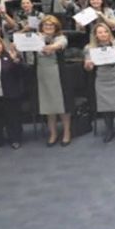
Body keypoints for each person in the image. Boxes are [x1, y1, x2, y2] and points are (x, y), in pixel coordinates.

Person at [22, 15, 71, 147]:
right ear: (41, 27)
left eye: (51, 25)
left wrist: (50, 47)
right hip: (41, 74)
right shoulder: (36, 38)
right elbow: (21, 43)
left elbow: (60, 45)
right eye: (45, 25)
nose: (48, 27)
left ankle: (66, 133)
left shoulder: (61, 37)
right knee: (47, 105)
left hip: (57, 74)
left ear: (56, 27)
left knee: (62, 105)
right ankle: (53, 134)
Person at [83, 23, 115, 143]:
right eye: (100, 32)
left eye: (105, 32)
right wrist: (88, 65)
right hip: (101, 79)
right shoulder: (89, 48)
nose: (103, 34)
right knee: (105, 106)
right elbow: (87, 68)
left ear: (109, 33)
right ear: (95, 35)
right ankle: (109, 130)